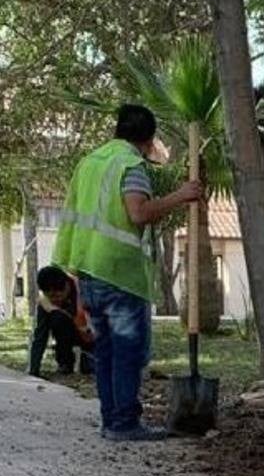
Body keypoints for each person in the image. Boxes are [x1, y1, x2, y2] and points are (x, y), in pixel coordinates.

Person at [52, 104, 203, 440]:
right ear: (149, 141)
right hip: (119, 273)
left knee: (105, 351)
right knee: (127, 353)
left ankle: (111, 421)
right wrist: (180, 196)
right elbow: (138, 213)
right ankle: (124, 424)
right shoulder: (130, 165)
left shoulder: (90, 163)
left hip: (89, 268)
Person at [28, 265, 94, 377]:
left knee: (91, 367)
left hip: (94, 337)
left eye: (58, 296)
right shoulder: (45, 303)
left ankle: (87, 360)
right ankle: (65, 363)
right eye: (51, 297)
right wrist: (34, 370)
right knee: (57, 319)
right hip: (69, 335)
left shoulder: (83, 289)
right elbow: (40, 337)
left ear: (67, 286)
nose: (55, 300)